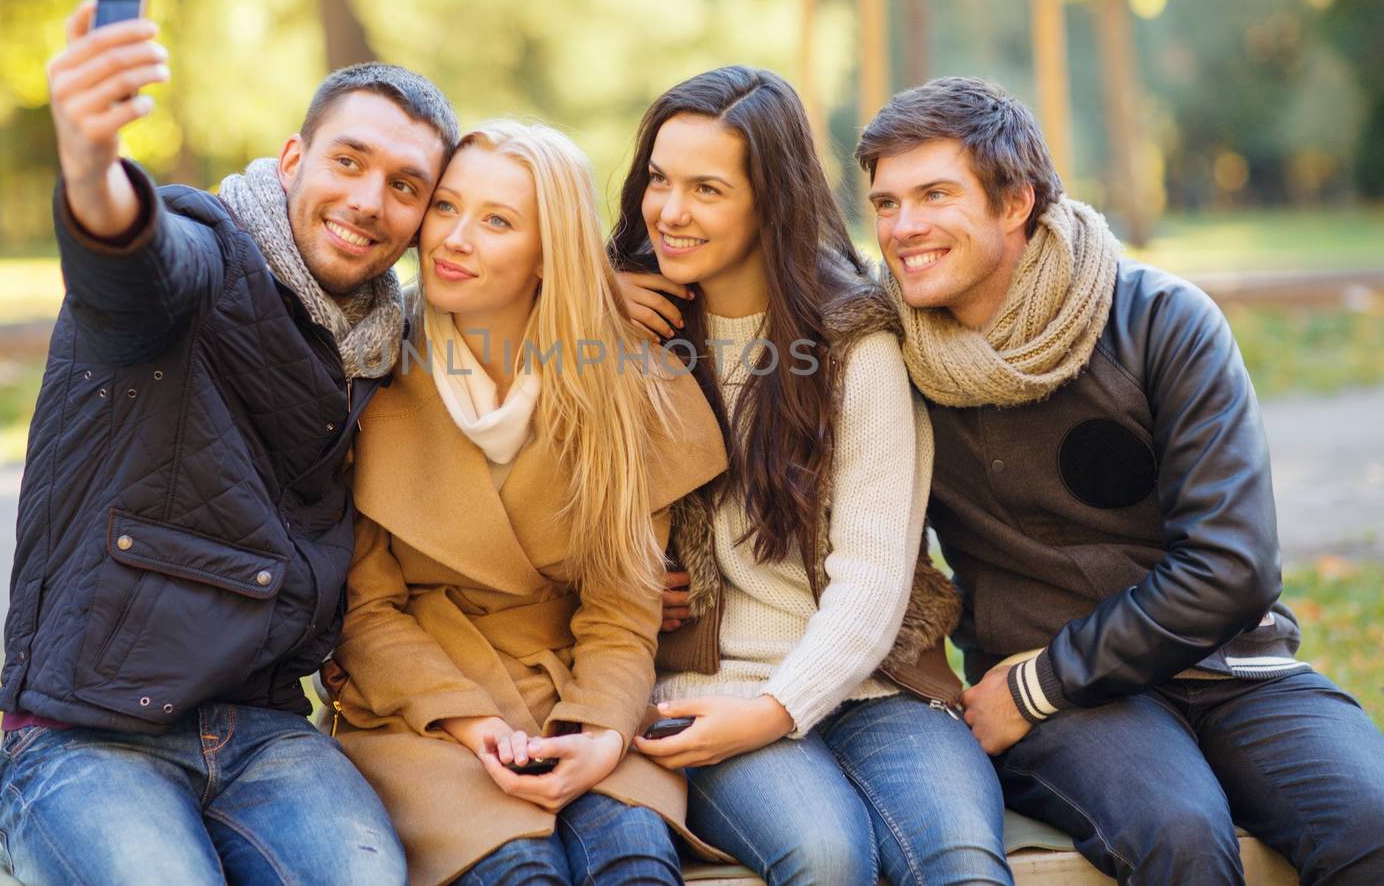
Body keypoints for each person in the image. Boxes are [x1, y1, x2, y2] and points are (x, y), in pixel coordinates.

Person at [853, 75, 1384, 885]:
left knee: (1370, 819)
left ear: (1014, 203)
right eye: (886, 203)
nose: (903, 228)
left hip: (1225, 668)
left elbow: (1232, 568)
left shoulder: (1160, 319)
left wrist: (1036, 683)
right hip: (1072, 708)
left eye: (933, 194)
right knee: (1178, 834)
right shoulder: (886, 352)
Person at [0, 0, 458, 884]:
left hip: (264, 732)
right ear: (292, 160)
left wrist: (607, 304)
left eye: (405, 185)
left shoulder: (385, 341)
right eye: (349, 161)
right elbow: (133, 262)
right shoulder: (206, 260)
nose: (368, 201)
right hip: (91, 731)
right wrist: (92, 163)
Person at [613, 67, 1013, 886]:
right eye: (658, 179)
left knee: (960, 863)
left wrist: (776, 710)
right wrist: (586, 296)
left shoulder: (856, 341)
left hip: (877, 683)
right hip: (708, 685)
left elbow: (872, 574)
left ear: (771, 200)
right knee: (825, 856)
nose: (670, 211)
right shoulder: (621, 327)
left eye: (707, 189)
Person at [323, 120, 730, 886]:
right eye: (445, 207)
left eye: (498, 220)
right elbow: (364, 614)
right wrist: (474, 726)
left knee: (634, 862)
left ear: (552, 252)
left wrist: (602, 735)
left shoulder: (622, 384)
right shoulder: (365, 368)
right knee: (517, 869)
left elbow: (621, 612)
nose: (455, 239)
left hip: (579, 689)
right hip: (422, 713)